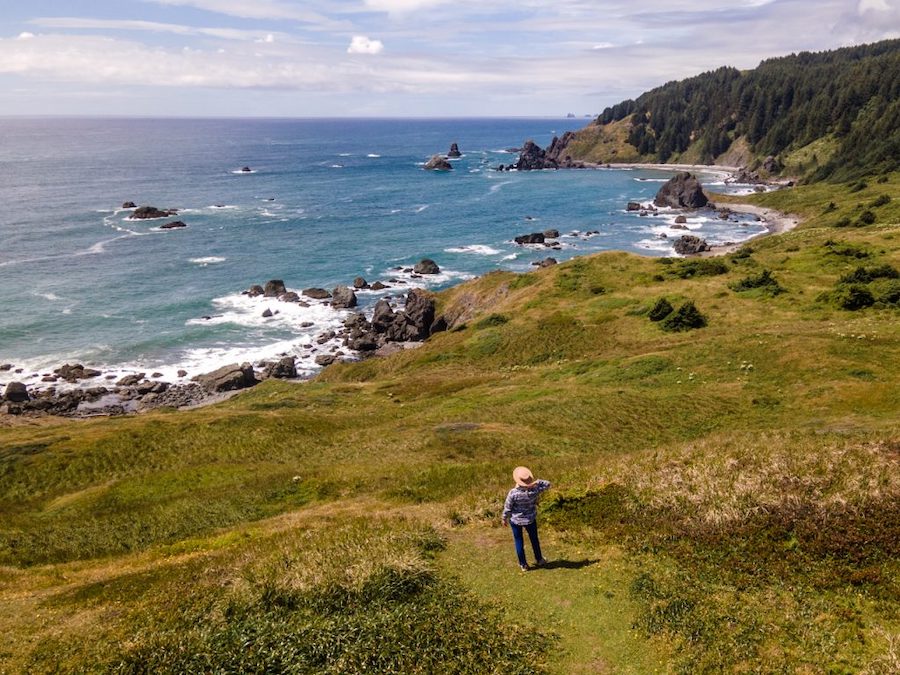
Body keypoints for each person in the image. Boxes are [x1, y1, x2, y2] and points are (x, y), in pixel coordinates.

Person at [501, 466, 551, 571]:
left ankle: (523, 564)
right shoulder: (535, 490)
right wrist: (537, 482)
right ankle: (539, 559)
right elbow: (548, 484)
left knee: (519, 541)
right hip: (530, 519)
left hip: (516, 520)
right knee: (534, 539)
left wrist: (504, 518)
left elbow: (508, 507)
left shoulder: (513, 493)